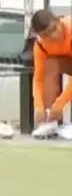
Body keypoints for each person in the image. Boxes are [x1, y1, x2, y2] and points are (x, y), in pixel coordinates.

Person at [29, 9, 72, 139]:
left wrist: (60, 104)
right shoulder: (41, 45)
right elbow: (39, 78)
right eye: (45, 35)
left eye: (54, 29)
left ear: (58, 21)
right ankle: (50, 121)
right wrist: (39, 106)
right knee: (50, 64)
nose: (52, 36)